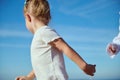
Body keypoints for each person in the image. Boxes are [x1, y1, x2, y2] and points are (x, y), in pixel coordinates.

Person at [16, 0, 96, 80]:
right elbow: (40, 64)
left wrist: (84, 66)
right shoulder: (40, 35)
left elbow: (64, 47)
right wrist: (29, 77)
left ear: (28, 17)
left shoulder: (44, 31)